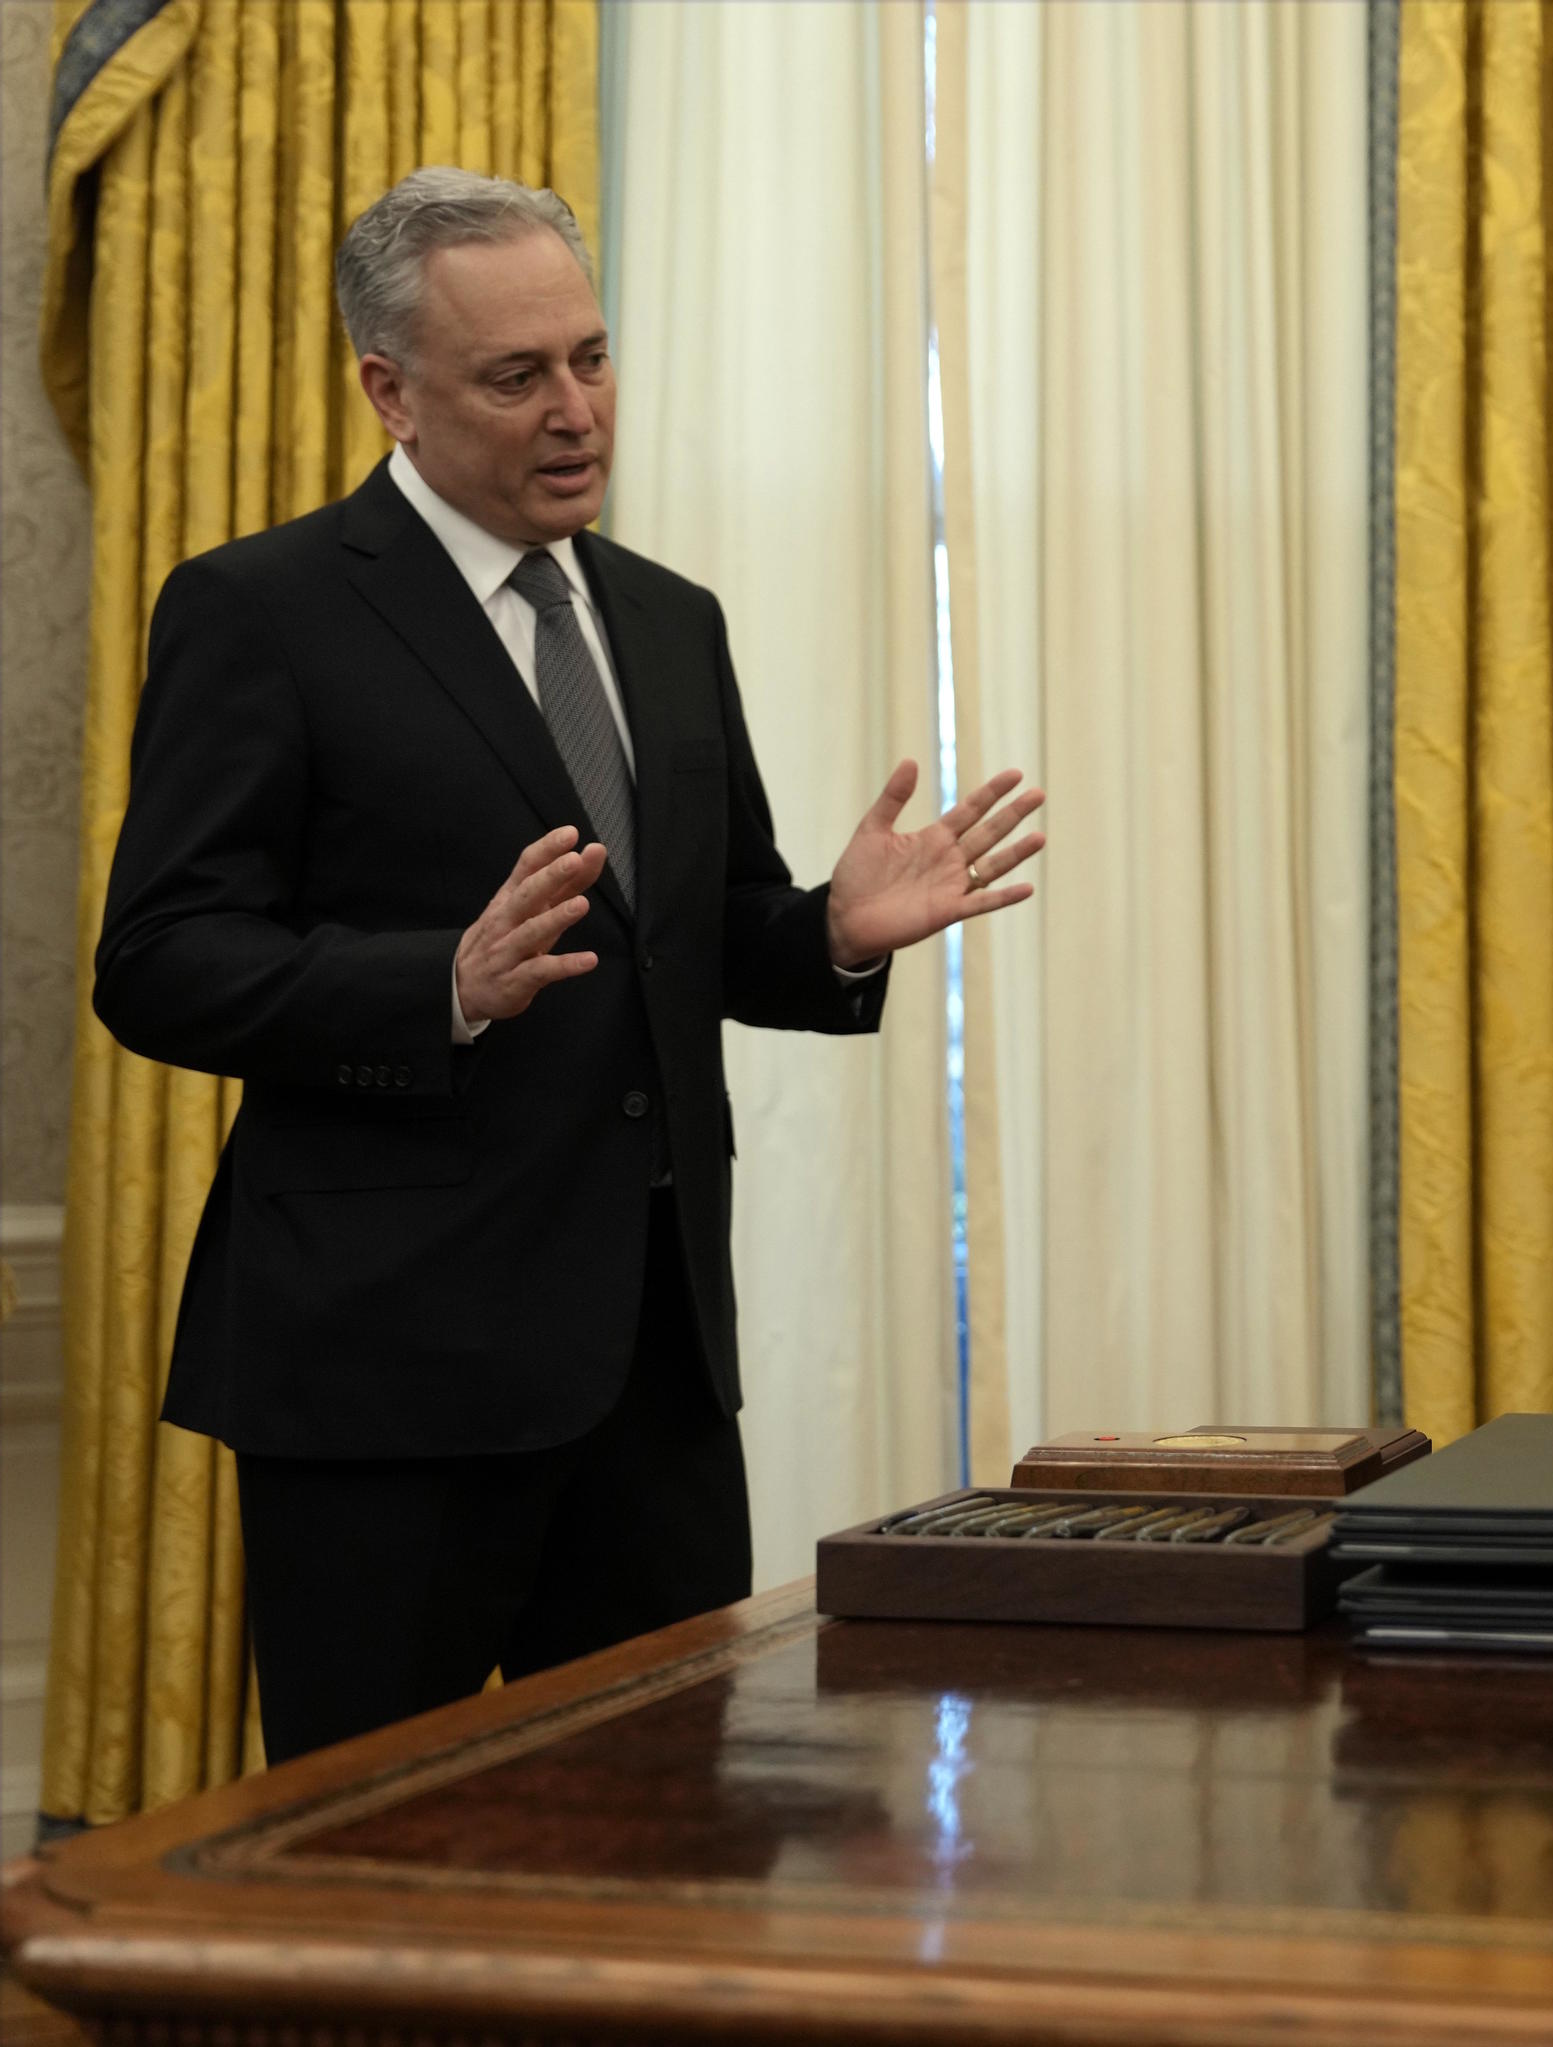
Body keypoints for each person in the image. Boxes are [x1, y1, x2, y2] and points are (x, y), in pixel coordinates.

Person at [92, 168, 1046, 1760]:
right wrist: (438, 986)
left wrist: (823, 929)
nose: (573, 411)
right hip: (389, 1375)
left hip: (653, 1376)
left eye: (591, 359)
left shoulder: (668, 619)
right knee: (374, 1872)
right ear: (389, 391)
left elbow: (703, 928)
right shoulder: (260, 611)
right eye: (516, 376)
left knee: (672, 1836)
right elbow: (161, 957)